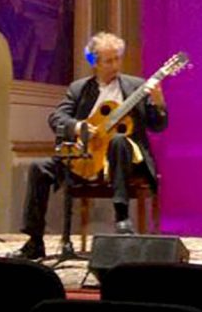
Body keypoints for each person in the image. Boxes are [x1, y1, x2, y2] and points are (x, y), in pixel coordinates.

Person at [17, 31, 168, 259]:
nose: (115, 65)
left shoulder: (137, 87)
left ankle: (122, 218)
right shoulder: (79, 89)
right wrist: (79, 128)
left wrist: (158, 102)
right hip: (85, 156)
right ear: (94, 63)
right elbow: (57, 118)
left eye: (117, 58)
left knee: (118, 140)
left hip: (126, 159)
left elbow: (158, 125)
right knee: (39, 167)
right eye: (109, 61)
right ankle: (34, 241)